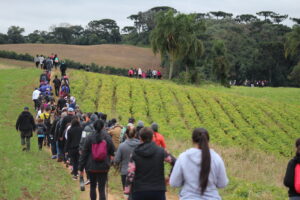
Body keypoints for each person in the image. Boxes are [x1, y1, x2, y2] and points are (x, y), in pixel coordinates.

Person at [170, 128, 229, 200]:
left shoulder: (183, 157)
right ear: (208, 141)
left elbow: (174, 183)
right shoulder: (216, 158)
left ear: (192, 141)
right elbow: (222, 184)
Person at [124, 127, 176, 200]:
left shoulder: (135, 153)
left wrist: (126, 192)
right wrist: (170, 177)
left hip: (139, 191)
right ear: (152, 137)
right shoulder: (161, 151)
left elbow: (130, 173)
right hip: (158, 191)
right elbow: (175, 162)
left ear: (140, 138)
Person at [79, 120, 115, 200]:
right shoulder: (107, 137)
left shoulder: (89, 137)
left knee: (92, 186)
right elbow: (112, 151)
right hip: (104, 166)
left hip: (91, 166)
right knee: (102, 188)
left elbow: (84, 154)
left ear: (93, 126)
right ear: (103, 127)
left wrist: (81, 168)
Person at [114, 126, 140, 191]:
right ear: (135, 134)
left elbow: (116, 160)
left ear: (126, 135)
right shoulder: (140, 145)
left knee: (127, 194)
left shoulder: (122, 146)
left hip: (125, 172)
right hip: (138, 172)